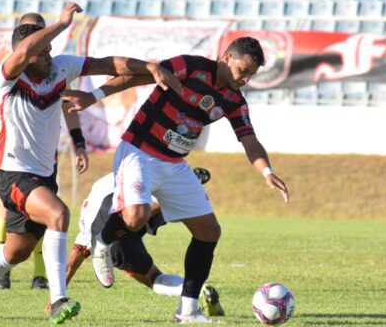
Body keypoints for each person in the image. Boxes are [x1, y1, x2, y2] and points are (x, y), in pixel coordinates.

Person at [0, 2, 182, 325]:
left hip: (44, 174)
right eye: (43, 51)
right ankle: (59, 300)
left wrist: (150, 68)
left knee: (17, 251)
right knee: (59, 214)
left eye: (50, 51)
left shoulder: (60, 67)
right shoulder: (7, 75)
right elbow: (28, 47)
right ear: (24, 55)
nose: (49, 56)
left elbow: (107, 64)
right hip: (13, 173)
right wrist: (60, 23)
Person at [63, 36, 290, 324]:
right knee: (135, 215)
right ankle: (103, 243)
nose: (245, 79)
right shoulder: (190, 67)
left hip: (174, 164)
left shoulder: (233, 100)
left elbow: (249, 139)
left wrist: (266, 172)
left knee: (209, 231)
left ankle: (187, 312)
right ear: (227, 58)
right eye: (243, 70)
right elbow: (137, 76)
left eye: (251, 75)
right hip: (139, 151)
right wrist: (93, 96)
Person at [0, 12, 88, 291]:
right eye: (37, 35)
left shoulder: (55, 72)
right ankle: (9, 271)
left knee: (41, 218)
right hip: (9, 148)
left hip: (44, 153)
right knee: (19, 209)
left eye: (44, 34)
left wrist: (79, 144)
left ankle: (37, 274)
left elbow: (69, 105)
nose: (44, 42)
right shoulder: (5, 69)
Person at [62, 167, 225, 317]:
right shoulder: (108, 179)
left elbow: (70, 265)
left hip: (114, 223)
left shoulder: (87, 223)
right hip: (134, 194)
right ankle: (173, 196)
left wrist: (57, 297)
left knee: (154, 278)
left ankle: (199, 290)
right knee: (154, 208)